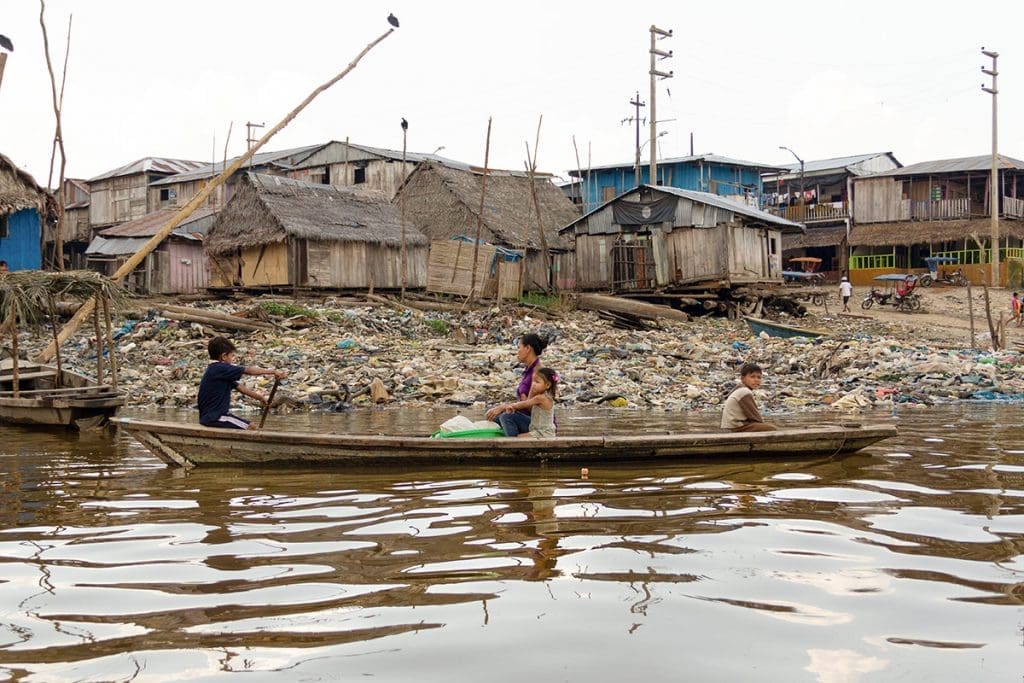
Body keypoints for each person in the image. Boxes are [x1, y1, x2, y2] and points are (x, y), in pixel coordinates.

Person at [197, 336, 287, 430]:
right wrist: (273, 372)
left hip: (212, 417)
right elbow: (249, 371)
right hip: (215, 417)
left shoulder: (217, 371)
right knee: (251, 427)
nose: (232, 359)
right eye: (231, 356)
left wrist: (261, 398)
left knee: (248, 425)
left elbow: (241, 388)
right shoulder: (220, 368)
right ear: (223, 356)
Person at [485, 332, 547, 435]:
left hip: (538, 422)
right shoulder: (528, 370)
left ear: (528, 349)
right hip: (526, 417)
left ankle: (515, 447)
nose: (517, 352)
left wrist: (505, 407)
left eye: (519, 348)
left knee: (506, 417)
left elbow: (531, 406)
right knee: (492, 415)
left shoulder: (538, 372)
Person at [492, 367, 558, 438]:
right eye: (533, 381)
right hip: (535, 428)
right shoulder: (539, 396)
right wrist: (532, 391)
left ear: (547, 385)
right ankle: (507, 437)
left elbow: (524, 404)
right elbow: (528, 407)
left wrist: (508, 406)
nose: (533, 384)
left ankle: (512, 444)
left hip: (543, 433)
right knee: (499, 417)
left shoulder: (542, 398)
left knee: (515, 432)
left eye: (537, 382)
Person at [721, 362, 777, 432]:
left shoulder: (740, 389)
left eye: (759, 377)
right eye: (752, 377)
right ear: (742, 378)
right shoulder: (744, 392)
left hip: (731, 426)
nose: (756, 380)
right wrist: (762, 425)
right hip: (736, 427)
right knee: (772, 428)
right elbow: (755, 417)